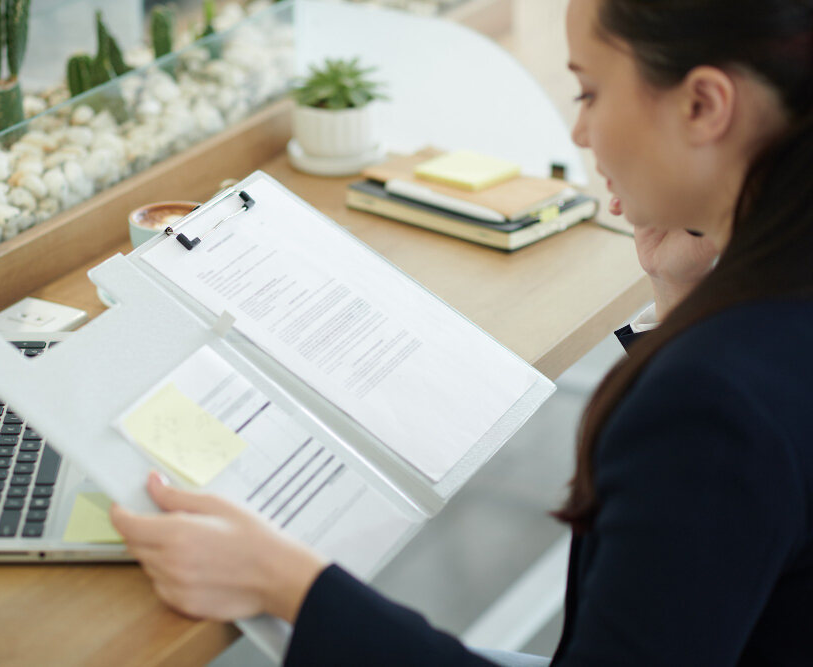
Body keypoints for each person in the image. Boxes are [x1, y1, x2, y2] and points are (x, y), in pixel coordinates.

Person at [109, 0, 813, 663]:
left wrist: (288, 583)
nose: (579, 131)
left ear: (703, 105)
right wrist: (685, 295)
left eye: (590, 92)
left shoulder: (709, 409)